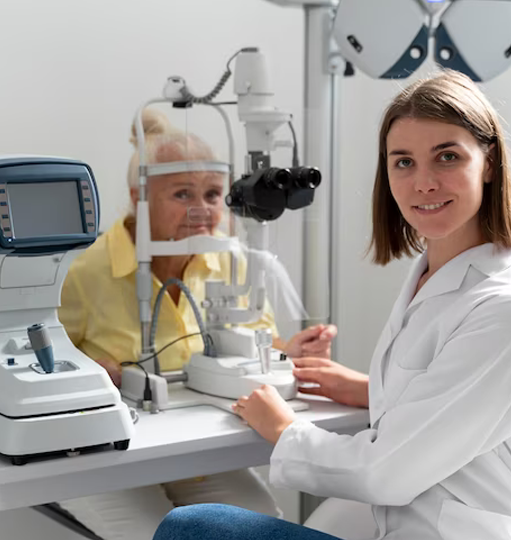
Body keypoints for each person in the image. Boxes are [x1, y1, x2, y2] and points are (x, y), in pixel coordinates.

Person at [152, 69, 511, 540]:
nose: (423, 183)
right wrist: (371, 391)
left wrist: (285, 429)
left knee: (194, 528)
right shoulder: (432, 274)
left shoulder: (499, 306)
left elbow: (388, 471)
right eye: (403, 162)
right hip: (403, 520)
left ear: (488, 161)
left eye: (446, 156)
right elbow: (455, 401)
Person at [56, 108, 337, 540]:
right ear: (138, 197)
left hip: (189, 448)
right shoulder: (84, 270)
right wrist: (92, 370)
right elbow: (35, 364)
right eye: (182, 194)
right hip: (97, 455)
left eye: (212, 194)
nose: (202, 209)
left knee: (260, 520)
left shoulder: (227, 260)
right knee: (153, 532)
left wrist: (289, 351)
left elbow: (258, 338)